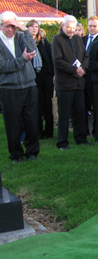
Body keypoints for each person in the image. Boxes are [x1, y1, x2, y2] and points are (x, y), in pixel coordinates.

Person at [0, 11, 39, 162]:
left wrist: (24, 28)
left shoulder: (21, 36)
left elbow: (32, 50)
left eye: (13, 26)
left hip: (29, 85)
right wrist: (22, 60)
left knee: (31, 121)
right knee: (13, 123)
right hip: (9, 89)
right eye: (6, 26)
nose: (10, 29)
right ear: (1, 26)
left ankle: (32, 152)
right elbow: (3, 66)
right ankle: (16, 155)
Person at [52, 15, 91, 150]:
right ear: (63, 26)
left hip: (79, 83)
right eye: (68, 27)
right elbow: (58, 61)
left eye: (73, 28)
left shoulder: (77, 39)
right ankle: (62, 142)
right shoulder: (57, 39)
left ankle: (81, 138)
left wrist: (82, 69)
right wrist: (75, 70)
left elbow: (86, 56)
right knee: (64, 114)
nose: (71, 30)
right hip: (65, 84)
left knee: (80, 112)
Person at [27, 19, 55, 140]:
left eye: (36, 26)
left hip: (46, 76)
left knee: (48, 103)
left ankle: (48, 132)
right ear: (27, 28)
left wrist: (53, 74)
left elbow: (50, 57)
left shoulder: (43, 42)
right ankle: (37, 131)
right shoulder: (25, 42)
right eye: (32, 26)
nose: (34, 28)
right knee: (36, 104)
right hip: (33, 76)